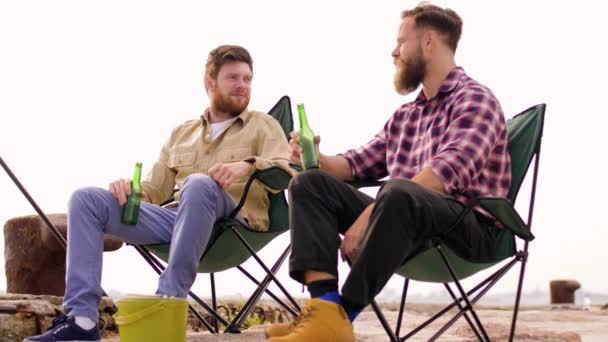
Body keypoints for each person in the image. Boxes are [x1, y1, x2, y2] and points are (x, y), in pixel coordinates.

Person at [266, 4, 512, 342]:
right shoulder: (405, 116)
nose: (393, 51)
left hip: (467, 231)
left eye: (401, 42)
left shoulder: (476, 100)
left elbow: (444, 176)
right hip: (400, 223)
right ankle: (324, 313)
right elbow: (354, 165)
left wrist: (369, 214)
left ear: (428, 42)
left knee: (399, 192)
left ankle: (344, 313)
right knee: (309, 183)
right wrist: (315, 156)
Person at [25, 45, 292, 342]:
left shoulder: (263, 125)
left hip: (233, 226)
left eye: (247, 78)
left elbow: (287, 171)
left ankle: (169, 298)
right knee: (85, 199)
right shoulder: (182, 133)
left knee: (199, 184)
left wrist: (246, 165)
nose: (242, 85)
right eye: (233, 78)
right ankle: (81, 319)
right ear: (210, 82)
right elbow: (154, 191)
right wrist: (128, 188)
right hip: (177, 222)